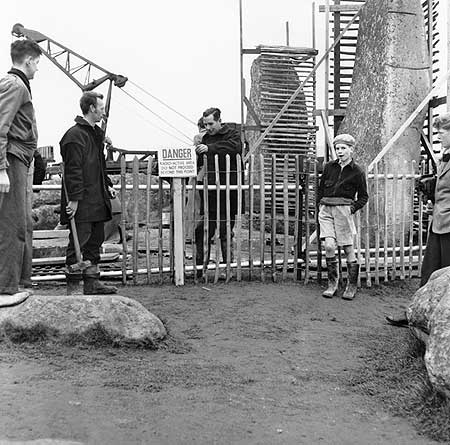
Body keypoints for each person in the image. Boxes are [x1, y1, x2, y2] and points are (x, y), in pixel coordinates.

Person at [387, 113, 450, 326]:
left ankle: (441, 322)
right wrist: (431, 185)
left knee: (447, 277)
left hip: (449, 226)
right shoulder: (445, 158)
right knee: (429, 272)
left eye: (443, 131)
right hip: (439, 223)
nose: (439, 135)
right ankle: (415, 314)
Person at [60, 91, 117, 295]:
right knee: (78, 242)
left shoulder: (94, 134)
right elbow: (73, 170)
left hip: (97, 197)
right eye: (101, 108)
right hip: (82, 200)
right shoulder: (74, 136)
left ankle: (92, 282)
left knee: (95, 240)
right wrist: (73, 200)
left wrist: (107, 184)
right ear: (92, 108)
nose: (103, 112)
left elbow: (99, 164)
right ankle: (74, 286)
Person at [0, 39, 42, 306]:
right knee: (12, 222)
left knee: (23, 223)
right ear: (28, 61)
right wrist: (1, 169)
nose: (37, 69)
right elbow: (0, 126)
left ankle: (18, 282)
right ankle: (5, 288)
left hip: (20, 159)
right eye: (37, 63)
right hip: (12, 159)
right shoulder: (15, 86)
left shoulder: (18, 85)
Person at [317, 133, 368, 300]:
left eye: (343, 148)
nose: (339, 152)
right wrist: (319, 205)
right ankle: (332, 284)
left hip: (343, 211)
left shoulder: (357, 171)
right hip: (326, 210)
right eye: (337, 148)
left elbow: (363, 197)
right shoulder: (329, 167)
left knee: (347, 248)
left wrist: (351, 208)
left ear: (351, 150)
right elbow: (320, 188)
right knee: (330, 246)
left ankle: (351, 286)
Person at [194, 107, 242, 275]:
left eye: (211, 123)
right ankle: (200, 269)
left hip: (228, 192)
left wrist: (210, 149)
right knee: (201, 230)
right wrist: (198, 149)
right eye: (205, 124)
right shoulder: (205, 138)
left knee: (225, 230)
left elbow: (234, 148)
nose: (208, 128)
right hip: (211, 194)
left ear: (219, 120)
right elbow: (201, 161)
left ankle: (227, 267)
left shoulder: (233, 134)